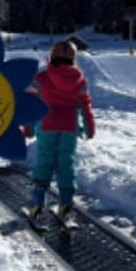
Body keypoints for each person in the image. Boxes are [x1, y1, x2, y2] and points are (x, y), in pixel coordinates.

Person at [25, 40, 95, 220]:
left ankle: (38, 204)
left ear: (53, 55)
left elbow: (31, 104)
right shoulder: (80, 81)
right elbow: (86, 105)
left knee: (44, 162)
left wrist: (28, 127)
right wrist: (90, 127)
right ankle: (65, 205)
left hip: (46, 125)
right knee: (66, 162)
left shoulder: (41, 78)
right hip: (69, 127)